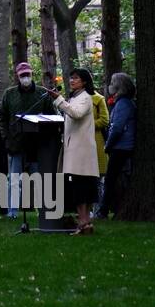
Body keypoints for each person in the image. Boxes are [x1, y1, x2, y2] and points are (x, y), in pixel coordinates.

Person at [45, 68, 100, 235]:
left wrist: (58, 99)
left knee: (83, 187)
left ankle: (84, 222)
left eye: (76, 78)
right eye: (71, 78)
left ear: (84, 81)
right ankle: (84, 223)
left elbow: (76, 114)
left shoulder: (85, 98)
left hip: (81, 151)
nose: (72, 81)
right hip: (75, 149)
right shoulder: (76, 97)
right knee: (79, 187)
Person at [0, 62, 55, 218]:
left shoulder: (42, 94)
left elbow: (52, 117)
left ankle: (42, 210)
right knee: (14, 179)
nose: (25, 77)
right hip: (16, 143)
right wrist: (6, 138)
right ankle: (12, 211)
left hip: (37, 144)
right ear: (17, 76)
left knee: (39, 179)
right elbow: (2, 117)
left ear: (32, 74)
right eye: (22, 75)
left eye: (27, 74)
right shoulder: (9, 94)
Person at [101, 72, 137, 218]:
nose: (109, 86)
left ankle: (103, 210)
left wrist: (108, 145)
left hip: (121, 147)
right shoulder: (124, 103)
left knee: (110, 180)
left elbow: (117, 128)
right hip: (122, 146)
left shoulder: (123, 104)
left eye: (111, 83)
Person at [90, 81, 110, 215]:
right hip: (80, 145)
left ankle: (99, 210)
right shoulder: (73, 99)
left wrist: (87, 124)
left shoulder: (98, 99)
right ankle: (89, 210)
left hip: (96, 142)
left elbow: (104, 120)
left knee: (98, 179)